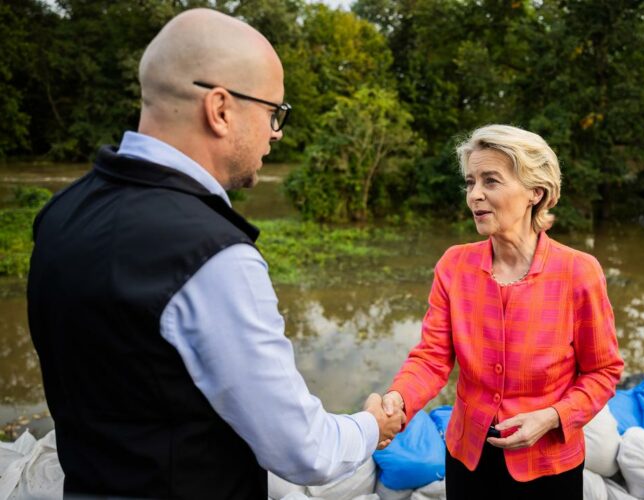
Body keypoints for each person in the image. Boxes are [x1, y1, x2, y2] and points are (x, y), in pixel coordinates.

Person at [26, 8, 403, 499]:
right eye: (274, 112)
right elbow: (304, 450)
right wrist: (371, 426)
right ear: (221, 109)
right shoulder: (212, 254)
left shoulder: (63, 211)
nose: (276, 132)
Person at [380, 125, 624, 498]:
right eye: (470, 182)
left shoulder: (578, 272)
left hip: (548, 463)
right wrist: (397, 399)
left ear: (535, 193)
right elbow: (431, 359)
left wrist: (552, 417)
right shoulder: (454, 265)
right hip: (467, 457)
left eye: (490, 181)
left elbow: (603, 371)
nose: (475, 195)